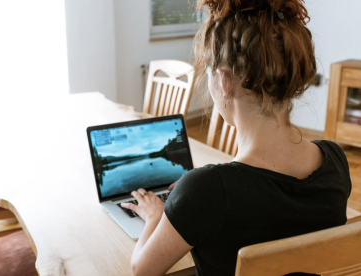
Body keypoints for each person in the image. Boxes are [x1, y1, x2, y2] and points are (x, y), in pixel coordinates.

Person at [121, 0, 352, 275]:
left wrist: (155, 217)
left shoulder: (205, 191)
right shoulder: (335, 160)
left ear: (225, 82)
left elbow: (141, 270)